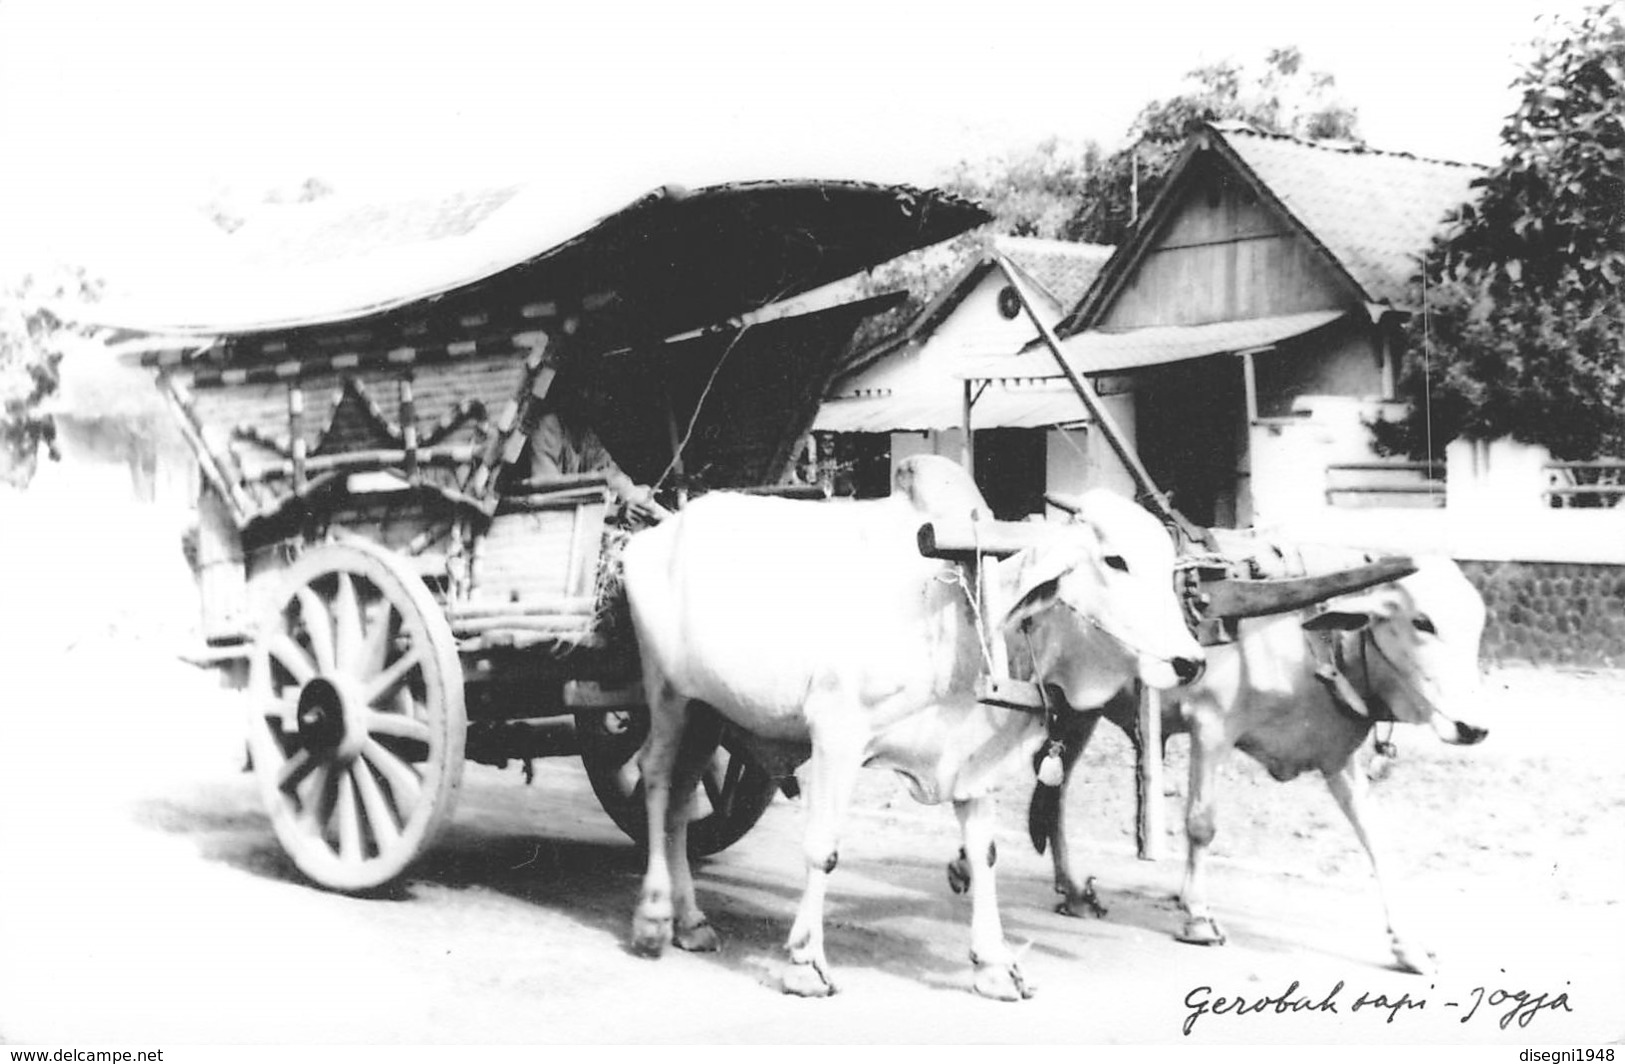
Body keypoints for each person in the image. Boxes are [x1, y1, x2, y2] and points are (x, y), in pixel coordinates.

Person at [528, 405, 666, 524]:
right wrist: (616, 511)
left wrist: (639, 498)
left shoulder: (583, 432)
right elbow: (550, 497)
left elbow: (609, 473)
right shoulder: (547, 427)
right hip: (544, 525)